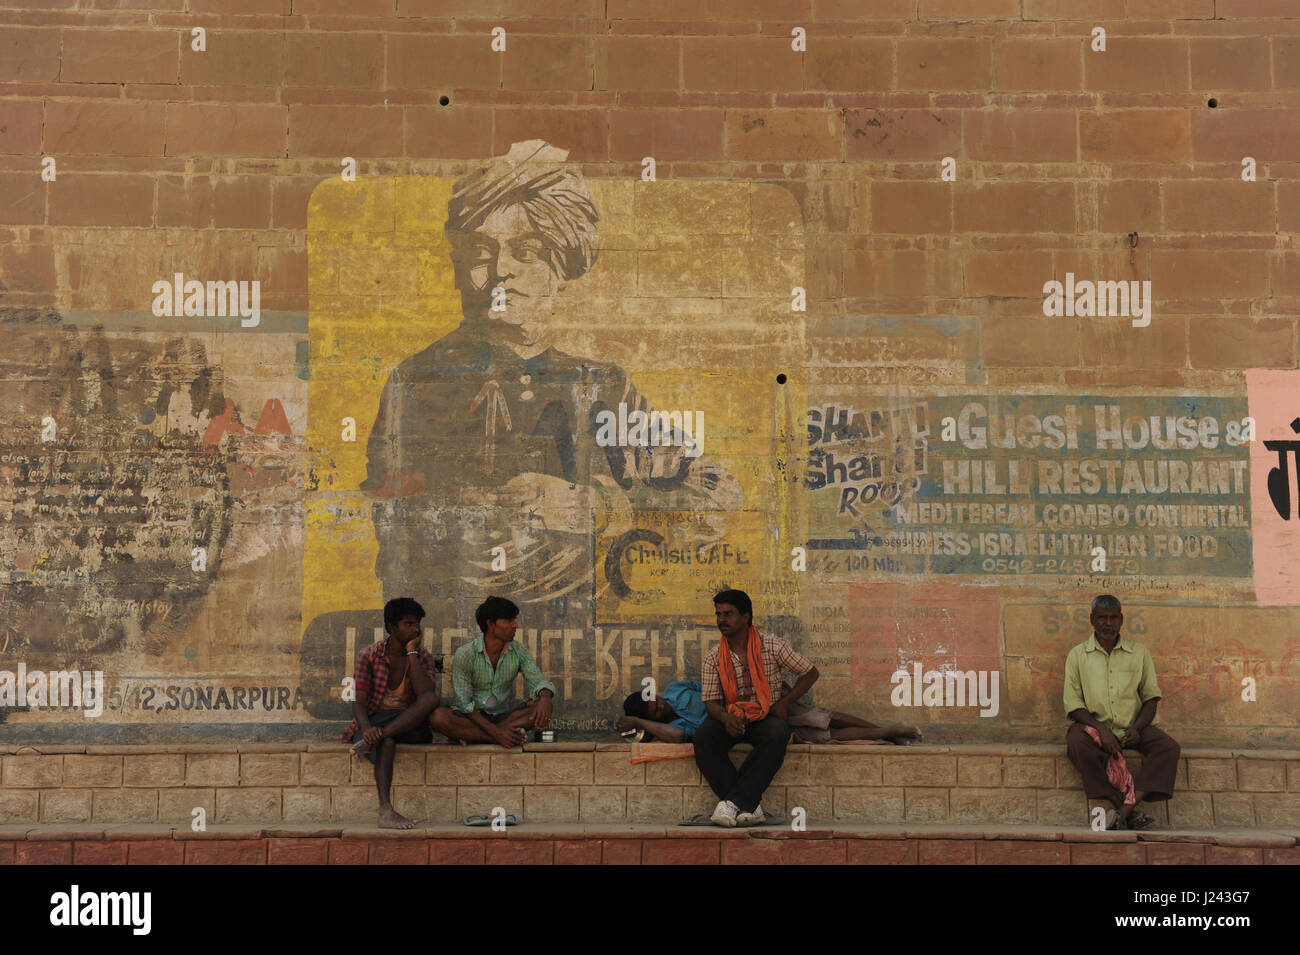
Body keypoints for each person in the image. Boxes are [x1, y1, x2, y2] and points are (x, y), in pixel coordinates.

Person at [695, 588, 818, 827]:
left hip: (766, 715)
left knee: (777, 734)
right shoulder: (713, 657)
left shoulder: (771, 645)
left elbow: (810, 673)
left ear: (746, 617)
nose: (722, 620)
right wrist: (724, 718)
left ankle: (731, 804)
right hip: (733, 716)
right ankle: (749, 806)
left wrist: (785, 702)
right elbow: (711, 702)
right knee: (703, 736)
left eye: (729, 614)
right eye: (719, 614)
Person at [1063, 594, 1180, 830]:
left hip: (1132, 727)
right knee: (1076, 743)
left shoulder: (1139, 652)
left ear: (1121, 619)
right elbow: (1073, 704)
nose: (1108, 623)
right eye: (1102, 618)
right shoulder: (1078, 655)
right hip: (1095, 728)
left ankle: (1124, 811)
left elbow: (1150, 698)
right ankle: (1126, 809)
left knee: (1168, 748)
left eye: (1113, 617)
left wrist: (1137, 728)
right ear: (1092, 620)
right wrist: (1102, 729)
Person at [342, 597, 440, 829]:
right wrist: (367, 731)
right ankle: (386, 811)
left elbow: (427, 695)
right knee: (386, 743)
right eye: (409, 624)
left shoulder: (422, 656)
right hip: (375, 720)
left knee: (432, 699)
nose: (416, 629)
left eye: (417, 624)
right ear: (392, 627)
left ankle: (380, 736)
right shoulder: (369, 655)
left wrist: (411, 654)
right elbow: (359, 701)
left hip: (410, 724)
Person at [430, 595, 557, 748]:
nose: (515, 625)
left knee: (540, 707)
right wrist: (497, 734)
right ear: (490, 624)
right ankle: (500, 737)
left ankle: (473, 737)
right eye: (508, 620)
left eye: (514, 620)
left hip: (503, 717)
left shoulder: (518, 651)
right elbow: (464, 704)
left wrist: (545, 696)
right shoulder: (466, 653)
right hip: (471, 718)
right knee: (438, 717)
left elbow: (538, 681)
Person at [618, 680, 707, 742]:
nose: (662, 705)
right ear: (650, 720)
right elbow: (679, 735)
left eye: (657, 700)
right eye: (656, 711)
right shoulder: (666, 731)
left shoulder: (674, 688)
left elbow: (707, 688)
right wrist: (638, 722)